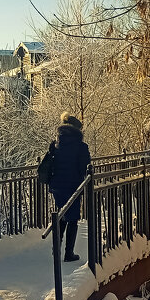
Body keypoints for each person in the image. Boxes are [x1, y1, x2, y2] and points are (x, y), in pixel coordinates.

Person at [48, 111, 91, 262]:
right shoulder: (81, 147)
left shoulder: (56, 144)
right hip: (73, 185)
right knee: (72, 218)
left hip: (57, 185)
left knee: (61, 214)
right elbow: (84, 167)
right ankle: (68, 253)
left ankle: (56, 249)